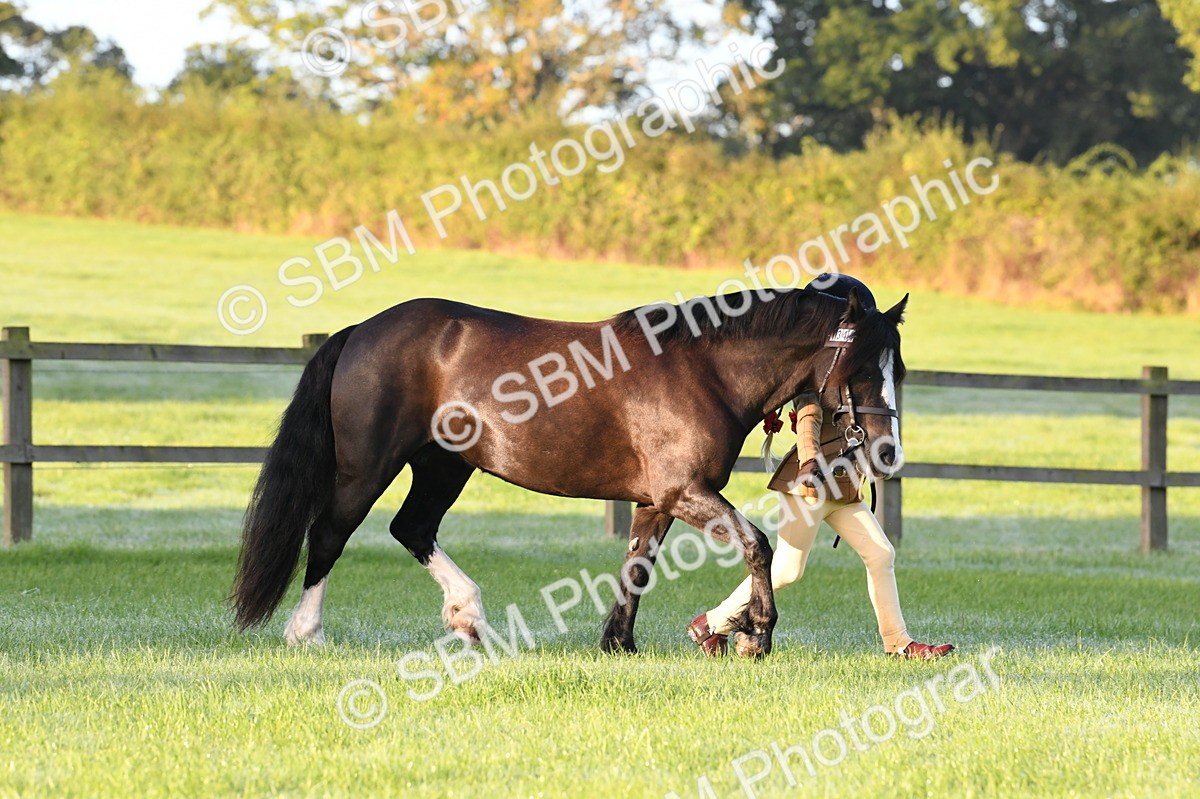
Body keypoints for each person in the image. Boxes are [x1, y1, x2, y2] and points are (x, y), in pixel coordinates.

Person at [686, 275, 954, 660]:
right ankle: (710, 624)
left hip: (842, 486)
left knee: (881, 554)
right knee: (786, 571)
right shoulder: (818, 371)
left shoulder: (855, 370)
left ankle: (899, 644)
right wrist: (810, 461)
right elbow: (807, 419)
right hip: (808, 486)